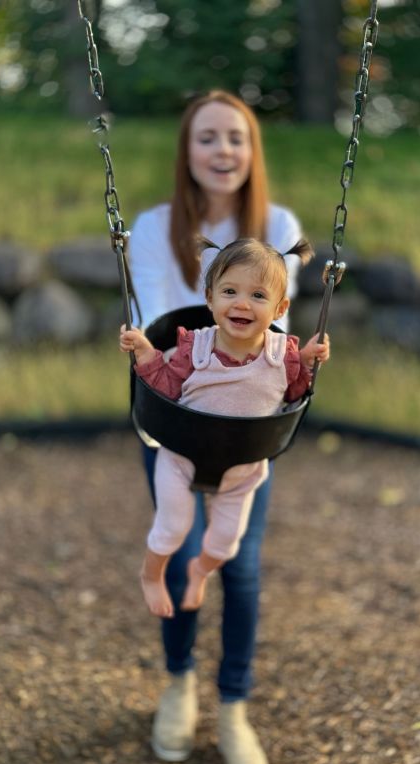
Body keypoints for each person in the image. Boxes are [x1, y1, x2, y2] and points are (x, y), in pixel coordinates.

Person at [127, 89, 312, 764]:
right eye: (208, 138)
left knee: (239, 563)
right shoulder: (152, 226)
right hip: (177, 406)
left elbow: (273, 324)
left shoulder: (280, 225)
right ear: (188, 150)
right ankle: (178, 685)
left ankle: (233, 707)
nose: (223, 150)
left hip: (248, 417)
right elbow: (159, 316)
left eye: (236, 137)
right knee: (174, 544)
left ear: (252, 150)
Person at [121, 237, 329, 622]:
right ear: (210, 299)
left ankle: (200, 571)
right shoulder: (193, 347)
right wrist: (147, 354)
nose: (242, 303)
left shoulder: (282, 354)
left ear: (280, 308)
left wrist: (308, 362)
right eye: (229, 291)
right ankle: (151, 575)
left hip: (243, 468)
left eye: (258, 295)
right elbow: (166, 386)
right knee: (173, 529)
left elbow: (294, 393)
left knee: (224, 545)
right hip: (182, 455)